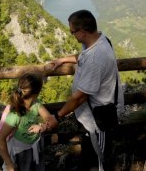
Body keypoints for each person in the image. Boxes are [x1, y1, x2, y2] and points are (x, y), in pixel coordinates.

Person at [49, 9, 124, 171]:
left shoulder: (96, 59)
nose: (72, 35)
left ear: (82, 32)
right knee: (89, 154)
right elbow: (84, 55)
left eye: (72, 32)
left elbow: (79, 97)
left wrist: (57, 116)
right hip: (91, 118)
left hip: (99, 121)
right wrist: (63, 59)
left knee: (99, 161)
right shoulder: (99, 40)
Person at [0, 73, 58, 171]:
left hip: (35, 146)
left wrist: (42, 127)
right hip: (20, 151)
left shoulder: (36, 104)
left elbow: (52, 122)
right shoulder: (15, 115)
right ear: (36, 93)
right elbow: (0, 139)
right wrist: (8, 163)